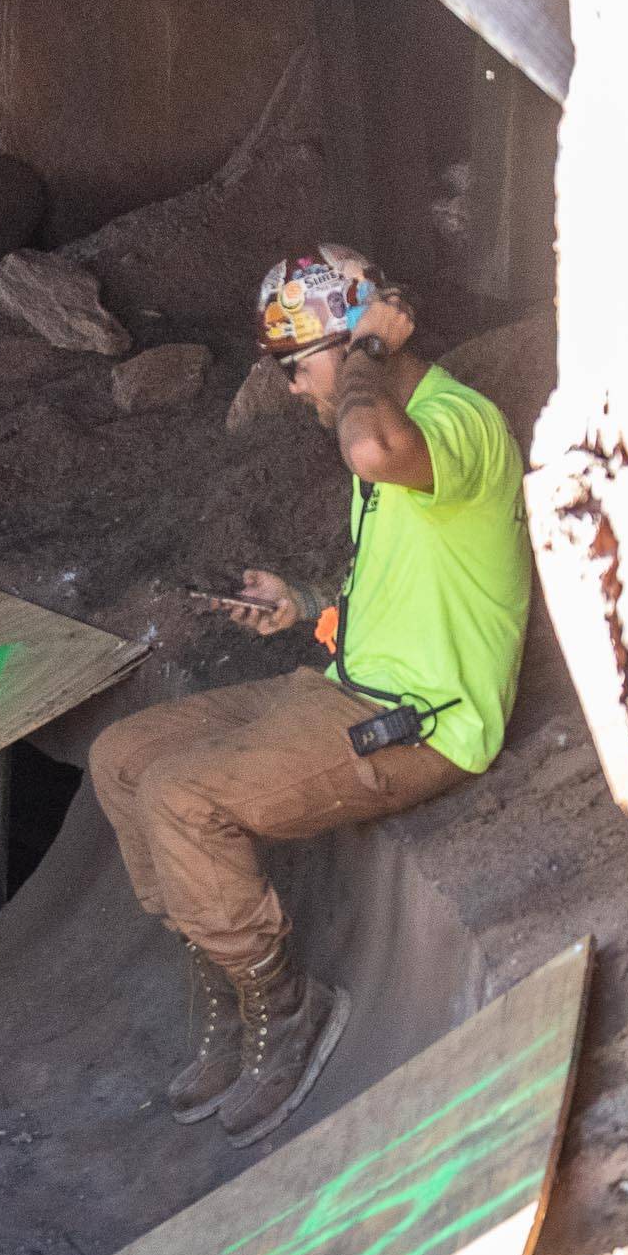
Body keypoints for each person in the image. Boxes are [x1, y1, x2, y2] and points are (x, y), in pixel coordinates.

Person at [88, 245, 531, 1146]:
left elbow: (371, 447)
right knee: (123, 757)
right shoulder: (401, 431)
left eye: (301, 366)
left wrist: (365, 351)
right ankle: (224, 978)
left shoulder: (459, 423)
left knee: (183, 794)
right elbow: (409, 578)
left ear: (363, 341)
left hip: (424, 723)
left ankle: (283, 1006)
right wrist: (310, 603)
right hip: (342, 688)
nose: (295, 389)